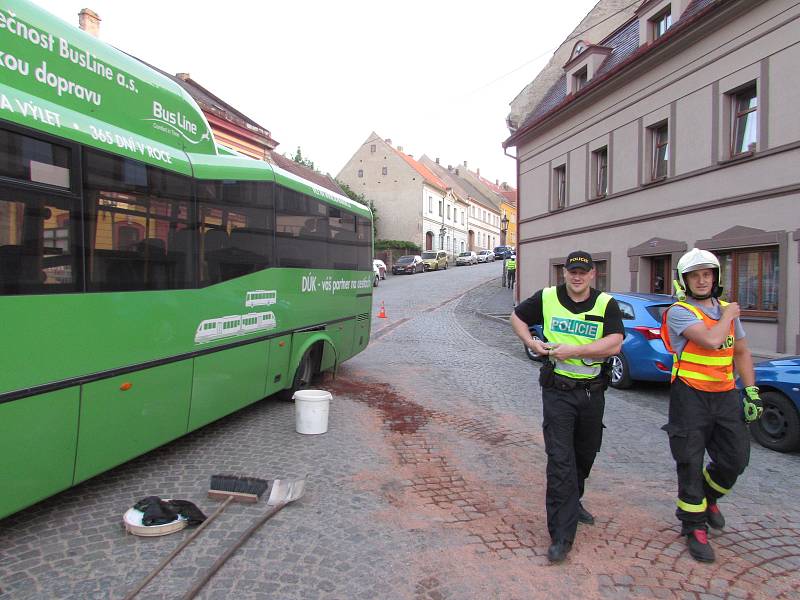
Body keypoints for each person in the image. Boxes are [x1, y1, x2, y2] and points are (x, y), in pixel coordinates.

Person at [510, 251, 623, 563]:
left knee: (585, 455)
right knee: (561, 460)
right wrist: (531, 342)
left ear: (592, 276)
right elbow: (517, 316)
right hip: (558, 392)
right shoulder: (547, 298)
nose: (577, 277)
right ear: (564, 273)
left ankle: (575, 500)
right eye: (572, 271)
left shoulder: (605, 304)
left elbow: (615, 343)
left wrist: (578, 349)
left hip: (592, 394)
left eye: (583, 273)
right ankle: (561, 534)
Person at [660, 248, 761, 563]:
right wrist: (729, 314)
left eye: (707, 274)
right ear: (685, 280)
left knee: (735, 459)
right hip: (690, 396)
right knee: (689, 461)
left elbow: (741, 352)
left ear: (715, 277)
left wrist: (752, 391)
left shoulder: (725, 312)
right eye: (695, 275)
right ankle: (694, 526)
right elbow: (712, 340)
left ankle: (708, 498)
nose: (702, 281)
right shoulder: (680, 311)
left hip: (726, 394)